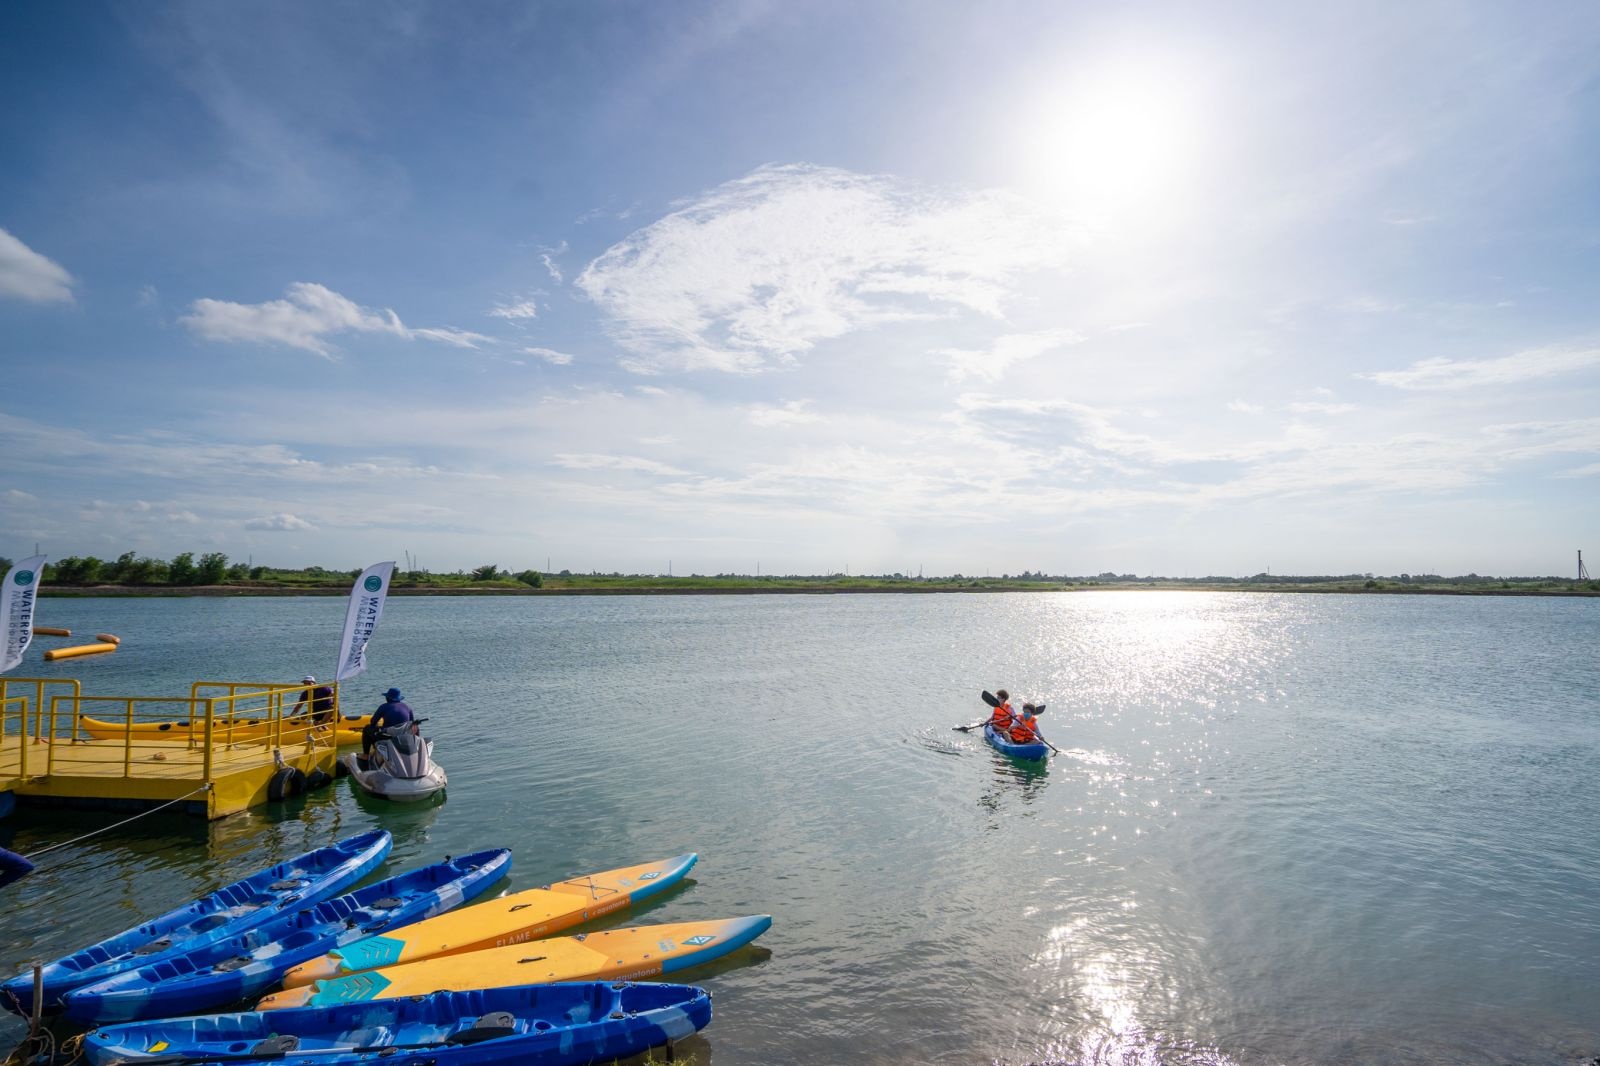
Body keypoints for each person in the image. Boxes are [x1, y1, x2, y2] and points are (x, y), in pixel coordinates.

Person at [363, 687, 415, 755]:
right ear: (399, 699)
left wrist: (376, 725)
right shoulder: (407, 707)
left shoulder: (384, 706)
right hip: (404, 736)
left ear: (388, 698)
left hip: (389, 736)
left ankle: (366, 755)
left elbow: (373, 722)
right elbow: (412, 724)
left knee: (367, 728)